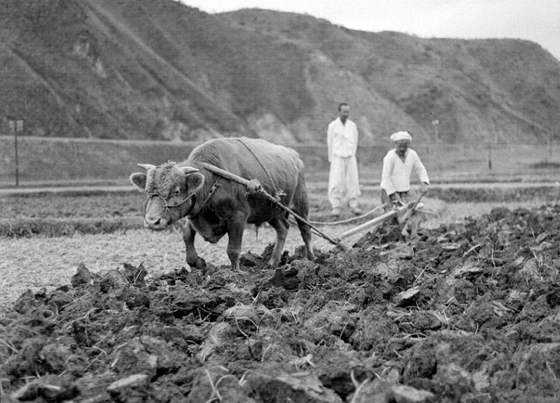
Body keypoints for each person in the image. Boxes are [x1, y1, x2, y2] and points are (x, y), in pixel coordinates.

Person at [380, 131, 429, 238]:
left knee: (416, 209)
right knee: (392, 217)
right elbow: (385, 178)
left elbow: (420, 169)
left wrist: (424, 182)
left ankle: (414, 232)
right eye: (400, 146)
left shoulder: (412, 155)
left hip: (405, 191)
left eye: (405, 146)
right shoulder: (390, 157)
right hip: (390, 193)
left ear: (408, 145)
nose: (402, 149)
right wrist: (393, 195)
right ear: (395, 145)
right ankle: (391, 236)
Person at [327, 103, 362, 218]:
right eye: (344, 112)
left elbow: (355, 141)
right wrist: (331, 158)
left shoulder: (352, 126)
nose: (346, 114)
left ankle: (353, 204)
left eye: (348, 112)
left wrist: (352, 154)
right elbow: (330, 142)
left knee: (352, 181)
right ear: (339, 112)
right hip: (337, 156)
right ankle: (335, 205)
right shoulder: (333, 126)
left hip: (350, 156)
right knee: (336, 181)